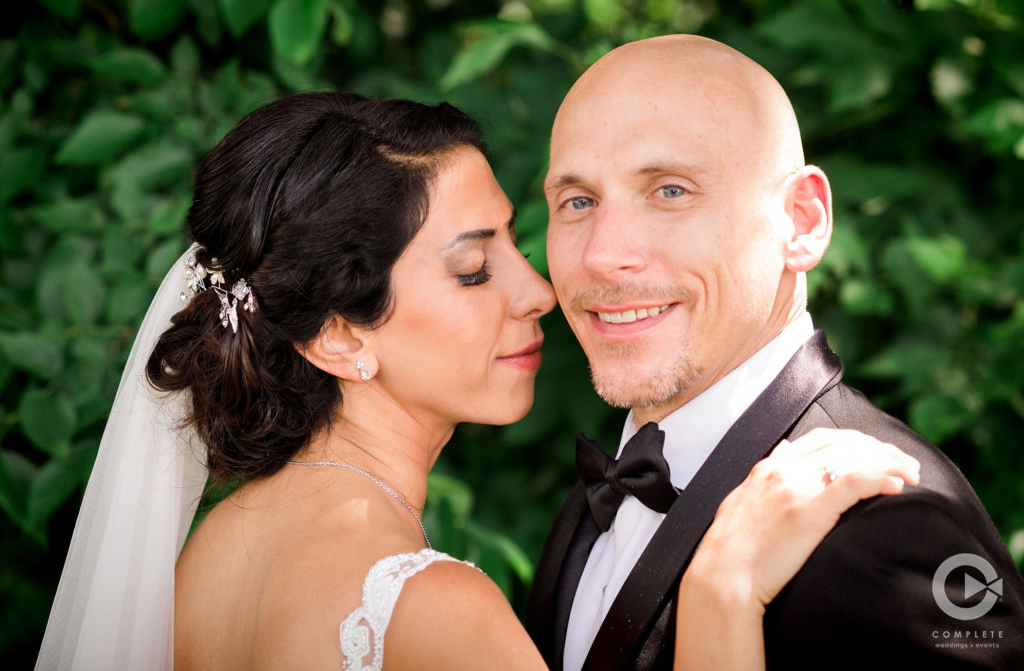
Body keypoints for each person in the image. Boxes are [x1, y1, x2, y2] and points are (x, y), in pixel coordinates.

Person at [36, 91, 919, 671]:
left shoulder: (207, 560)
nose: (538, 291)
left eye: (514, 239)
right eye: (472, 269)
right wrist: (722, 588)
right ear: (340, 337)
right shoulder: (430, 607)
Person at [527, 34, 1024, 670]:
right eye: (579, 202)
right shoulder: (597, 500)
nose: (601, 253)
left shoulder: (891, 523)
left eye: (670, 190)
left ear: (803, 221)